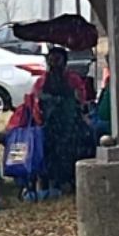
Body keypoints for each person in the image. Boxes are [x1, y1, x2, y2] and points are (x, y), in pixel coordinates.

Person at [31, 47, 94, 199]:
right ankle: (60, 182)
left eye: (55, 60)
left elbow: (81, 101)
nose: (53, 64)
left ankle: (56, 182)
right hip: (60, 127)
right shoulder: (46, 81)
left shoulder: (64, 80)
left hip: (62, 126)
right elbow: (81, 101)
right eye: (52, 60)